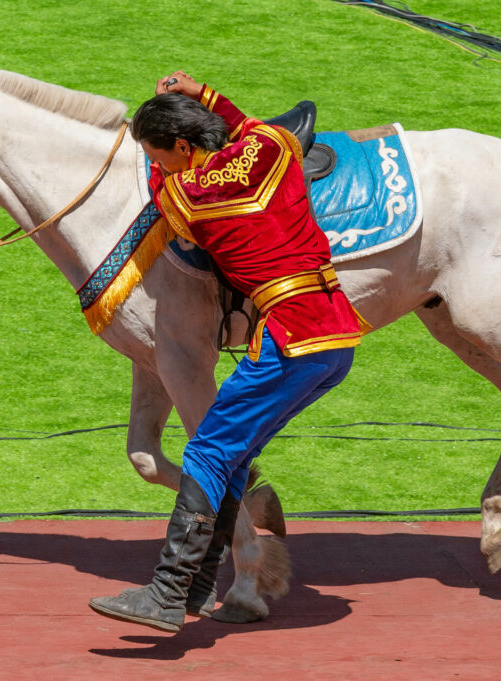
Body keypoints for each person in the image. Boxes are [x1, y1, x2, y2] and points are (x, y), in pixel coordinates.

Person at [89, 72, 365, 632]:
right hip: (336, 339)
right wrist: (202, 94)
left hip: (288, 341)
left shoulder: (184, 195)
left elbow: (160, 190)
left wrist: (156, 160)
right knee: (231, 455)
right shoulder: (273, 148)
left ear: (185, 150)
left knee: (207, 452)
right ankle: (196, 587)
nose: (158, 165)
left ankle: (166, 592)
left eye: (161, 155)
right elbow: (245, 126)